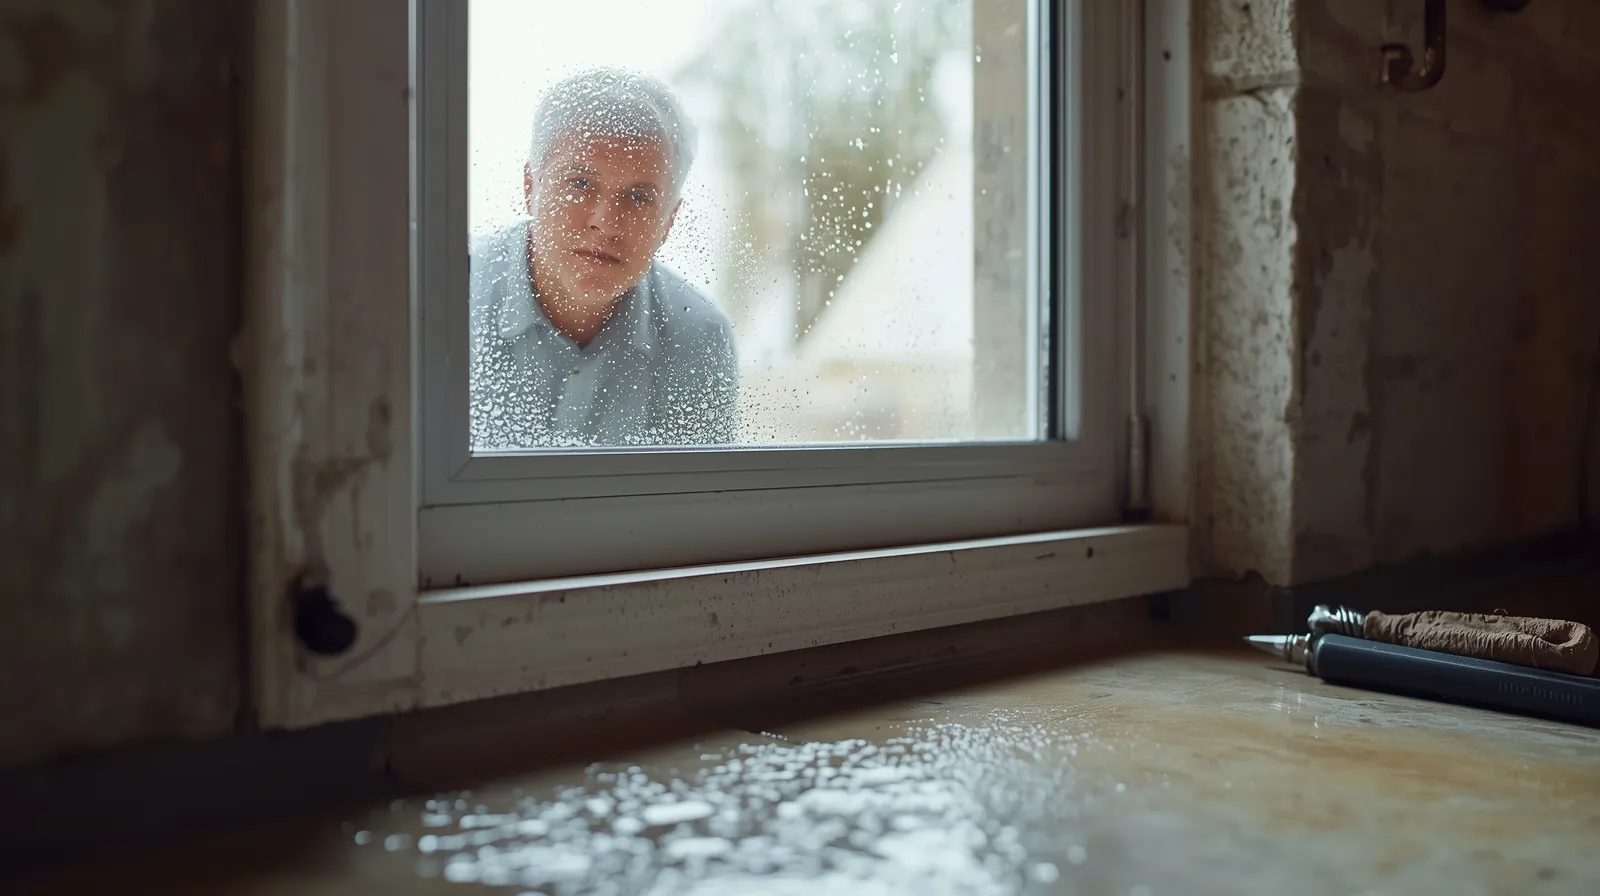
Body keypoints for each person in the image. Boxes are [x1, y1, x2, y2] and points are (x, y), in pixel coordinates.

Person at [469, 67, 738, 450]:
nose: (607, 223)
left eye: (640, 197)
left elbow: (701, 505)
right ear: (532, 187)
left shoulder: (700, 342)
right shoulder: (438, 298)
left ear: (669, 221)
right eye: (580, 183)